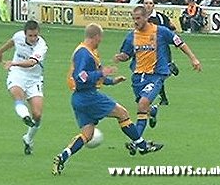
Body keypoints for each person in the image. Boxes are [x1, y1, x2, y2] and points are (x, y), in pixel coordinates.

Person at [52, 23, 163, 175]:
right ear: (96, 36)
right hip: (89, 96)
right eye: (100, 38)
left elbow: (96, 74)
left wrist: (112, 80)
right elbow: (81, 77)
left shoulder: (90, 51)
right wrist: (101, 73)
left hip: (78, 99)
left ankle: (62, 157)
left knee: (87, 135)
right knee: (123, 114)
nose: (101, 41)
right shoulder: (84, 53)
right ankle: (142, 146)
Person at [114, 6, 202, 155]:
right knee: (144, 108)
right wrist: (120, 57)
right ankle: (152, 111)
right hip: (137, 77)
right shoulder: (131, 36)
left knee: (142, 105)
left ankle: (137, 143)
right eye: (133, 19)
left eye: (138, 18)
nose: (135, 22)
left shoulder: (161, 31)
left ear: (146, 17)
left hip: (156, 75)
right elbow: (126, 54)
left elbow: (179, 42)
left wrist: (193, 58)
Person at [0, 20, 48, 155]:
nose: (33, 38)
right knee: (17, 95)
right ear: (25, 34)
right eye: (30, 36)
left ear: (38, 34)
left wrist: (14, 62)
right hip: (17, 74)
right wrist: (0, 52)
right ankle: (25, 116)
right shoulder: (18, 36)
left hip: (34, 79)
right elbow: (12, 42)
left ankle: (28, 138)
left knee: (37, 114)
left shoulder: (41, 46)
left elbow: (31, 63)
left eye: (35, 35)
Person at [143, 0, 179, 106]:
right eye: (146, 3)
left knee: (158, 74)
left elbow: (170, 30)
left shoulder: (160, 17)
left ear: (154, 5)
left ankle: (169, 68)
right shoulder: (141, 18)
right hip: (148, 50)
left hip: (162, 50)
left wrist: (176, 42)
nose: (148, 5)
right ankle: (163, 98)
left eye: (150, 3)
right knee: (154, 74)